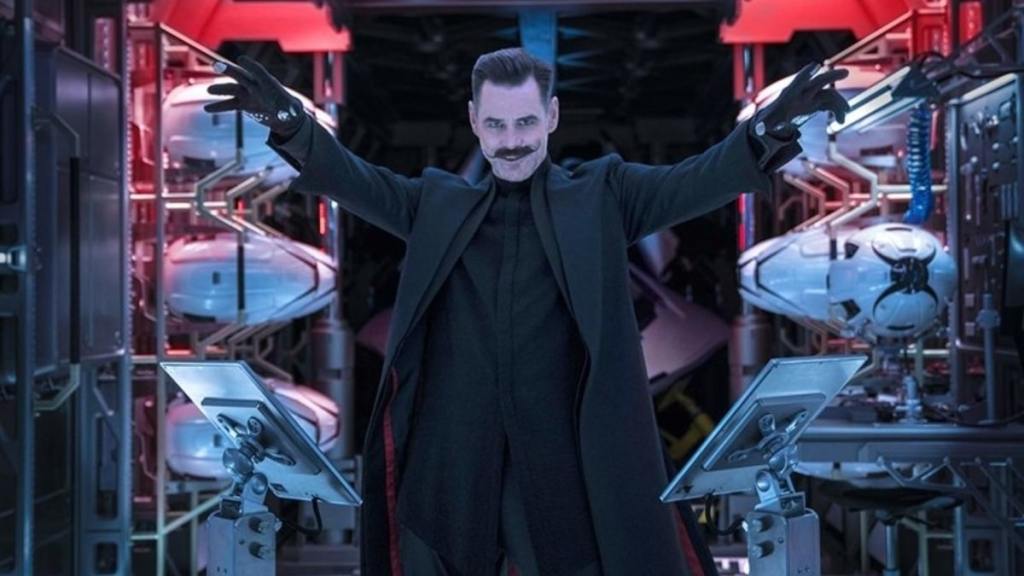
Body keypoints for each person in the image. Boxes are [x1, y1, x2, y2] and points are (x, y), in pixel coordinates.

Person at [205, 48, 848, 576]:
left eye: (524, 124)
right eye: (496, 125)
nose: (511, 142)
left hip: (569, 466)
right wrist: (288, 121)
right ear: (474, 120)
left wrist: (766, 131)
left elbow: (698, 178)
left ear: (552, 116)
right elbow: (352, 177)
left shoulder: (604, 195)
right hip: (455, 464)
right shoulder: (436, 205)